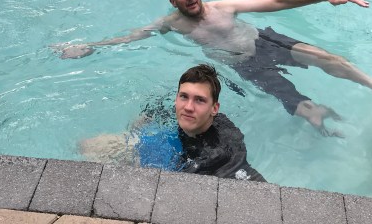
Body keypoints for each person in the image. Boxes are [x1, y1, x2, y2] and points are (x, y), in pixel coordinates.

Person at [59, 0, 372, 136]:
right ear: (173, 0)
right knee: (296, 103)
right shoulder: (172, 24)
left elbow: (277, 0)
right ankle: (316, 117)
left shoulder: (225, 7)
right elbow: (133, 36)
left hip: (265, 42)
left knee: (331, 60)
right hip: (244, 66)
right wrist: (91, 47)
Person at [79, 64, 265, 181]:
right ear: (176, 98)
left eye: (199, 100)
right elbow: (150, 115)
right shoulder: (177, 111)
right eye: (184, 97)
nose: (188, 107)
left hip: (174, 165)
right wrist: (134, 132)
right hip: (164, 145)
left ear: (214, 109)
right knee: (88, 145)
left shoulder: (219, 150)